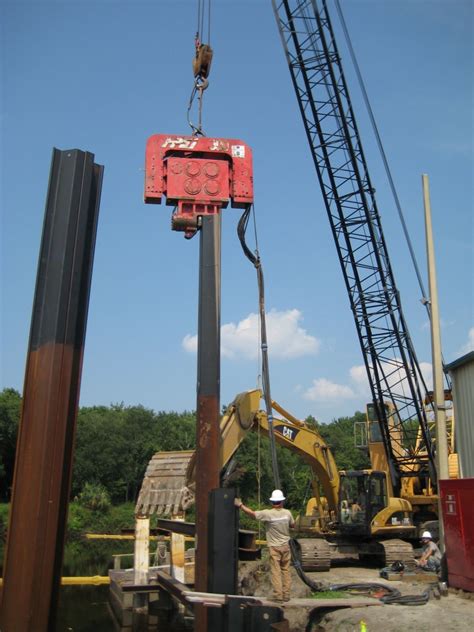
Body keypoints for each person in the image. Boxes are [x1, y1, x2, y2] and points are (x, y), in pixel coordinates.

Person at [235, 489, 295, 602]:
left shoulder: (268, 514)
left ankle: (278, 595)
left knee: (276, 571)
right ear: (282, 502)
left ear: (272, 502)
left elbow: (252, 514)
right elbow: (293, 525)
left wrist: (240, 505)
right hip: (286, 547)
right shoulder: (287, 513)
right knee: (286, 570)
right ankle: (286, 594)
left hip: (274, 547)